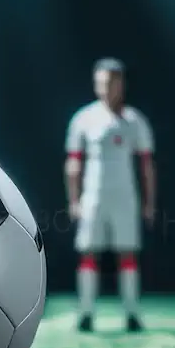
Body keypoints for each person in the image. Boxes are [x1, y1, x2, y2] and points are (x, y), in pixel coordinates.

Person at [64, 58, 156, 331]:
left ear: (122, 84)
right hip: (93, 196)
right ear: (96, 84)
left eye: (113, 82)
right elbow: (73, 163)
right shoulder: (84, 119)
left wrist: (149, 201)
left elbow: (146, 166)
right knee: (88, 252)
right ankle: (86, 312)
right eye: (102, 82)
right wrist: (74, 199)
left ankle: (131, 313)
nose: (107, 88)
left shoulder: (135, 121)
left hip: (125, 197)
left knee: (127, 253)